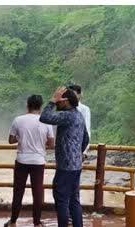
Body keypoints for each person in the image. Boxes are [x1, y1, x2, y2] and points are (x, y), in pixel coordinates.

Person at [40, 86, 89, 227]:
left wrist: (51, 101)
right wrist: (76, 154)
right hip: (76, 165)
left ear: (66, 101)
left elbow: (44, 117)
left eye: (59, 101)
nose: (58, 104)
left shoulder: (67, 115)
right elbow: (85, 139)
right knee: (74, 200)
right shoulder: (79, 115)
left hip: (66, 167)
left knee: (61, 199)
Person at [6, 95, 55, 227]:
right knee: (37, 192)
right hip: (38, 161)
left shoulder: (18, 120)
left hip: (22, 160)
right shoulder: (46, 121)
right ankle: (37, 222)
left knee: (18, 191)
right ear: (40, 107)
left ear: (27, 105)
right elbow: (51, 143)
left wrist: (21, 138)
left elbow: (11, 140)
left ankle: (13, 221)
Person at [67, 85, 92, 151]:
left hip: (78, 146)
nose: (72, 97)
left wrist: (85, 150)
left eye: (74, 94)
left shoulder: (84, 109)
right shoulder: (64, 109)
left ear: (80, 95)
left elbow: (87, 129)